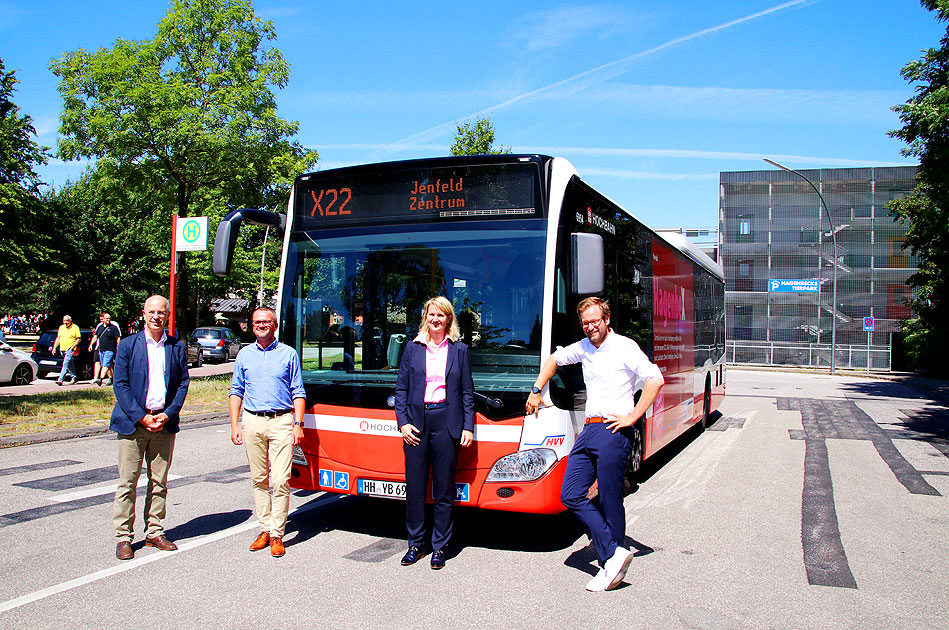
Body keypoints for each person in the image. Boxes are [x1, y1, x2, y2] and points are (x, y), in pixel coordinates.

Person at [525, 297, 664, 592]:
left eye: (595, 321)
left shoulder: (625, 347)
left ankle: (608, 562)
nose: (590, 327)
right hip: (589, 429)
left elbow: (655, 379)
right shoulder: (584, 347)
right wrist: (536, 390)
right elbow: (553, 360)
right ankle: (614, 553)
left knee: (611, 500)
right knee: (570, 493)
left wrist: (633, 416)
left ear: (607, 319)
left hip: (614, 431)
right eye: (585, 323)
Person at [395, 296, 474, 570]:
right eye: (431, 315)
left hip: (446, 422)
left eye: (441, 315)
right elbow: (401, 390)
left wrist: (467, 426)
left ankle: (439, 547)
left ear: (448, 319)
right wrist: (403, 423)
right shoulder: (412, 349)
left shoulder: (460, 350)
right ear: (425, 318)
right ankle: (415, 544)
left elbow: (466, 392)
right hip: (417, 423)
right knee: (415, 488)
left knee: (443, 489)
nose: (436, 320)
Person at [110, 295, 191, 560]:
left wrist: (167, 414)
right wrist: (140, 417)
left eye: (162, 312)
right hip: (133, 425)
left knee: (159, 482)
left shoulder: (176, 346)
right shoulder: (128, 345)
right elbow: (120, 385)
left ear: (168, 315)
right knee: (128, 483)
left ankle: (154, 531)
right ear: (143, 314)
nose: (156, 316)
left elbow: (182, 384)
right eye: (152, 312)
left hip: (163, 425)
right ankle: (124, 537)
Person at [228, 306, 306, 558]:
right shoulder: (244, 355)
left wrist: (298, 424)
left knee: (281, 480)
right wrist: (234, 424)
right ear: (252, 325)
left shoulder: (288, 354)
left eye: (266, 322)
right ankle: (264, 528)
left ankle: (277, 534)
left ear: (274, 325)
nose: (261, 325)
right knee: (259, 479)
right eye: (257, 322)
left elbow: (298, 391)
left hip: (281, 421)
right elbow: (236, 390)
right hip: (252, 421)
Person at [90, 312, 121, 386]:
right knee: (107, 365)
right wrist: (91, 345)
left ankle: (100, 379)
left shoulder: (113, 327)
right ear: (103, 319)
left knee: (105, 365)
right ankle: (111, 378)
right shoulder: (100, 327)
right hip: (101, 349)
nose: (108, 320)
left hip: (110, 349)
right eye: (107, 318)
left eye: (109, 318)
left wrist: (118, 346)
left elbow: (118, 337)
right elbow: (96, 336)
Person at [53, 315, 82, 385]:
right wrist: (54, 347)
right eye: (64, 321)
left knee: (65, 363)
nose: (65, 322)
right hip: (62, 349)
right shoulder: (61, 327)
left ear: (70, 321)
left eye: (67, 321)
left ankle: (60, 379)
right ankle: (74, 377)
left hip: (70, 349)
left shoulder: (75, 327)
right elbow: (58, 338)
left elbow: (79, 339)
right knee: (69, 364)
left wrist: (72, 347)